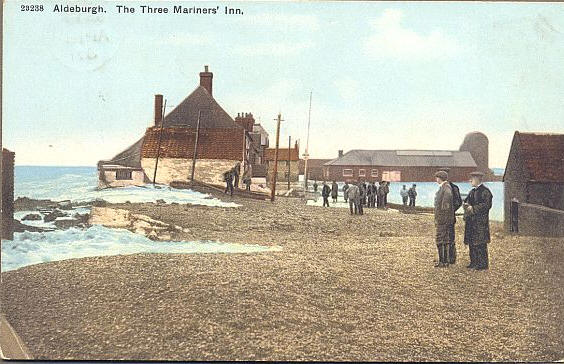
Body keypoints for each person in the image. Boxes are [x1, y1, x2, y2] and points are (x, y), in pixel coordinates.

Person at [463, 172, 493, 270]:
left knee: (480, 243)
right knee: (472, 243)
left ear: (478, 179)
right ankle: (473, 262)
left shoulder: (486, 191)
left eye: (472, 179)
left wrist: (473, 208)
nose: (470, 180)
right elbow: (466, 202)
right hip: (471, 222)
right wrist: (466, 206)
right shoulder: (472, 191)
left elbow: (486, 205)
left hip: (480, 223)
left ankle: (482, 265)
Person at [433, 170, 454, 268]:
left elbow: (446, 204)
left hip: (443, 220)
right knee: (444, 239)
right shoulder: (445, 187)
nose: (436, 179)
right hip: (445, 219)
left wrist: (442, 215)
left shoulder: (446, 188)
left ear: (440, 178)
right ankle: (445, 261)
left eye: (437, 177)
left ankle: (443, 261)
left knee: (441, 239)